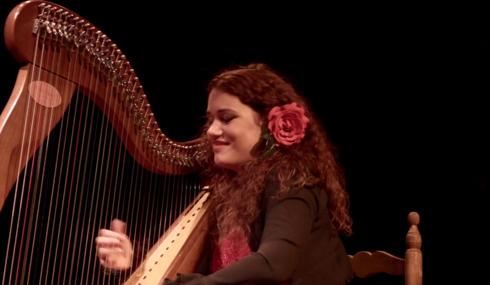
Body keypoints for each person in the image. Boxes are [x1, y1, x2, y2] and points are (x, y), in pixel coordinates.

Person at [95, 63, 354, 284]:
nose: (211, 131)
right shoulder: (230, 189)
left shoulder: (292, 180)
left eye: (227, 118)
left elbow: (274, 263)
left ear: (268, 125)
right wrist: (136, 262)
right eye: (211, 120)